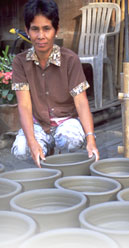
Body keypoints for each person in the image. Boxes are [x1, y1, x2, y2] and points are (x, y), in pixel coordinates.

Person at [11, 0, 99, 167]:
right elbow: (24, 106)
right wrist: (32, 143)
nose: (41, 36)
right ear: (28, 31)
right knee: (22, 149)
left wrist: (90, 139)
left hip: (65, 121)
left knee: (72, 140)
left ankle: (58, 155)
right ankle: (44, 149)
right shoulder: (20, 62)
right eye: (35, 29)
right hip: (37, 123)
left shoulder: (70, 59)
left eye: (47, 29)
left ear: (56, 30)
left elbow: (81, 102)